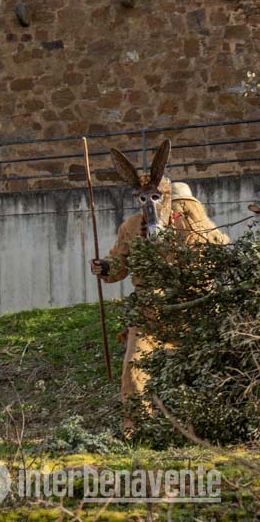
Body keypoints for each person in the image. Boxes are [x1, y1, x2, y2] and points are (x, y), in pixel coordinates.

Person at [90, 142, 227, 431]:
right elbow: (119, 262)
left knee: (204, 369)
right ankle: (138, 428)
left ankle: (204, 424)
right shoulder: (131, 228)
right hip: (149, 311)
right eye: (143, 199)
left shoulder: (192, 223)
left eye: (157, 197)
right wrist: (105, 267)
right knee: (134, 366)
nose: (150, 205)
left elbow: (220, 249)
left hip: (192, 309)